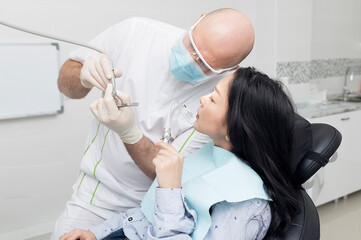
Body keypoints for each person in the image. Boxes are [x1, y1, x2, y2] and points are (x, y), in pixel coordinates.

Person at [52, 8, 255, 240]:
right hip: (95, 198)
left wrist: (128, 132)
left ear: (230, 70)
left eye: (205, 65)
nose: (191, 60)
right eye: (193, 47)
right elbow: (65, 85)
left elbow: (170, 175)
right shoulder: (135, 32)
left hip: (153, 207)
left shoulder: (219, 103)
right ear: (198, 20)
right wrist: (83, 75)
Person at [60, 67, 300, 240]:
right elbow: (146, 214)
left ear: (234, 129)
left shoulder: (247, 205)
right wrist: (96, 233)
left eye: (213, 99)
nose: (203, 99)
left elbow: (165, 209)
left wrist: (170, 190)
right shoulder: (210, 152)